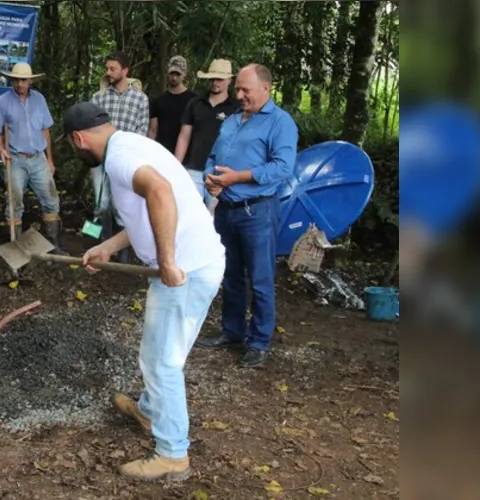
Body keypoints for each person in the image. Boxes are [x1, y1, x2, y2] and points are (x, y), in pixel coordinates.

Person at [64, 101, 226, 481]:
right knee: (162, 353)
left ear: (78, 138)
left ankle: (173, 454)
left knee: (162, 362)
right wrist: (109, 245)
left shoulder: (119, 160)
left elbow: (160, 192)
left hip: (184, 271)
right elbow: (147, 214)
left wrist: (167, 262)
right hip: (197, 263)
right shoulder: (131, 145)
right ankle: (151, 411)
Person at [195, 64, 298, 368]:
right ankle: (232, 331)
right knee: (231, 274)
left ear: (266, 88)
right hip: (226, 209)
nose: (239, 95)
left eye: (245, 90)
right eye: (237, 89)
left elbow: (282, 167)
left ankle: (259, 340)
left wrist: (237, 177)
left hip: (259, 211)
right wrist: (210, 179)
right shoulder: (232, 120)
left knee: (260, 278)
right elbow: (213, 157)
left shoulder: (280, 123)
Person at [0, 62, 63, 252]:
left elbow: (45, 130)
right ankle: (18, 248)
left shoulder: (39, 99)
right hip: (15, 159)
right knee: (14, 202)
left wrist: (49, 159)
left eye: (23, 80)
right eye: (16, 80)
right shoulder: (3, 102)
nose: (20, 84)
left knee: (51, 198)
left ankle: (54, 244)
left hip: (38, 158)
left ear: (30, 81)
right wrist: (1, 150)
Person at [90, 52, 150, 261]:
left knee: (120, 205)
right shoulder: (99, 97)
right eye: (107, 68)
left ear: (125, 71)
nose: (108, 72)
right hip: (100, 159)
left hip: (124, 161)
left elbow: (141, 131)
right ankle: (101, 244)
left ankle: (122, 250)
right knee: (101, 203)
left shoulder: (140, 99)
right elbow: (90, 129)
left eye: (112, 69)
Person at [174, 59, 239, 209]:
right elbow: (184, 136)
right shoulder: (195, 103)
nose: (215, 82)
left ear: (229, 80)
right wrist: (176, 166)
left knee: (214, 218)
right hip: (194, 169)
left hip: (220, 171)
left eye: (220, 79)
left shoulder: (236, 108)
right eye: (212, 78)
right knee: (189, 213)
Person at [149, 56, 197, 156]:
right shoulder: (158, 100)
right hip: (161, 153)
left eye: (178, 74)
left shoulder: (194, 99)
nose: (174, 77)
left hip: (186, 156)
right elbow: (153, 130)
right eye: (172, 73)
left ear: (184, 75)